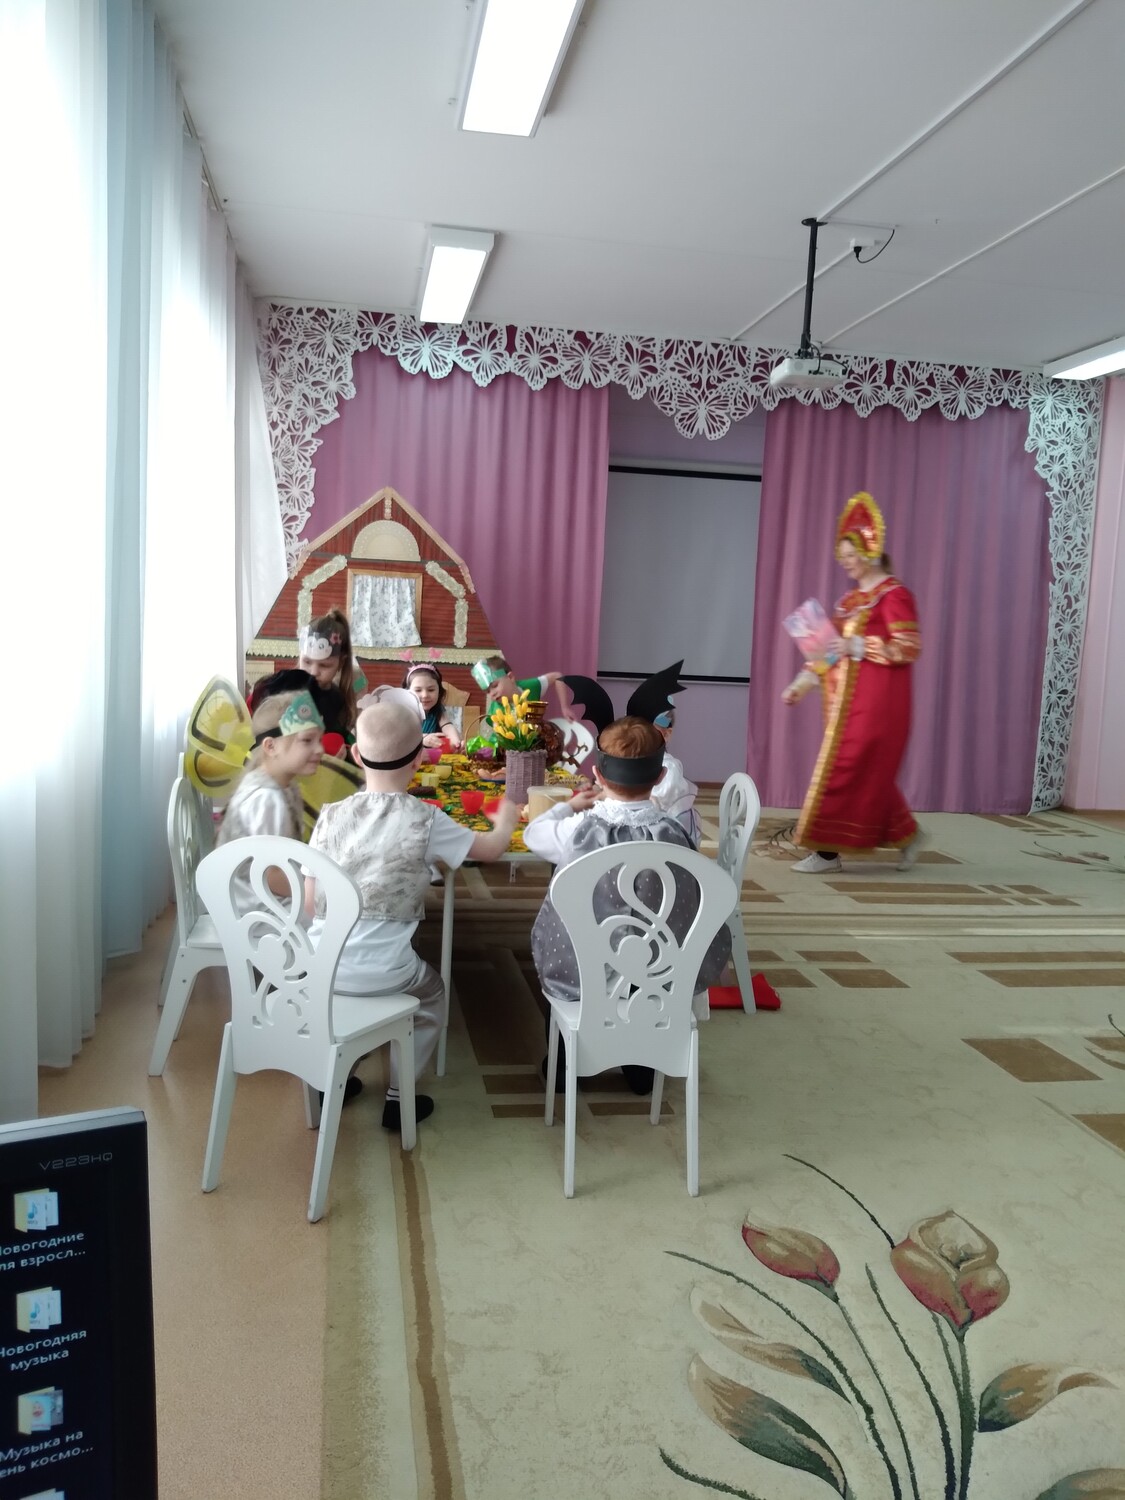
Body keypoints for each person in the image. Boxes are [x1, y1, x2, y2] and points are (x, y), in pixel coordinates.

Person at [303, 699, 520, 1131]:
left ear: (356, 754)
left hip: (318, 968)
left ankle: (334, 1078)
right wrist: (507, 816)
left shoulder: (329, 817)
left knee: (346, 1003)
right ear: (420, 759)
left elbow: (310, 904)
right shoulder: (426, 818)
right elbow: (491, 851)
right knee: (433, 997)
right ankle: (399, 1096)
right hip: (387, 972)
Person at [524, 716, 730, 1095]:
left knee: (568, 957)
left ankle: (568, 1067)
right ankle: (642, 1069)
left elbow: (533, 835)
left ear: (597, 774)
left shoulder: (578, 829)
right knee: (647, 970)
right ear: (659, 777)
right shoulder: (676, 832)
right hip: (657, 968)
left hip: (583, 967)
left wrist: (567, 806)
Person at [782, 492, 923, 873]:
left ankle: (826, 852)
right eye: (841, 555)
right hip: (843, 703)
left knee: (845, 768)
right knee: (865, 772)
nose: (844, 561)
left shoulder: (894, 596)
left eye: (850, 554)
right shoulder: (849, 601)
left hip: (878, 706)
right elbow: (827, 650)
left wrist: (859, 644)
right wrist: (801, 684)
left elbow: (908, 647)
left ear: (869, 552)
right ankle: (907, 834)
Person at [216, 690, 324, 909]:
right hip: (254, 909)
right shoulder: (267, 799)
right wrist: (319, 892)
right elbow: (272, 876)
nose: (320, 749)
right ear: (271, 746)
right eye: (307, 740)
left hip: (267, 897)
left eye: (319, 739)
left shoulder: (284, 786)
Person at [297, 610, 363, 743]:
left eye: (324, 665)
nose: (313, 672)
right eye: (307, 662)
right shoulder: (290, 693)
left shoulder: (339, 696)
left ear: (341, 663)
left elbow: (341, 734)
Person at [472, 655, 572, 730]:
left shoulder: (530, 687)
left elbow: (557, 676)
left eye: (495, 686)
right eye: (488, 691)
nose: (492, 693)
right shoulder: (496, 711)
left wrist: (564, 707)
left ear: (510, 677)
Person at [402, 663, 462, 750]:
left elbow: (447, 726)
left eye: (431, 690)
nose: (425, 695)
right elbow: (399, 737)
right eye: (418, 690)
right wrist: (422, 738)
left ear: (439, 692)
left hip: (430, 757)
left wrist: (456, 742)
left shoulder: (438, 710)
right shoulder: (403, 712)